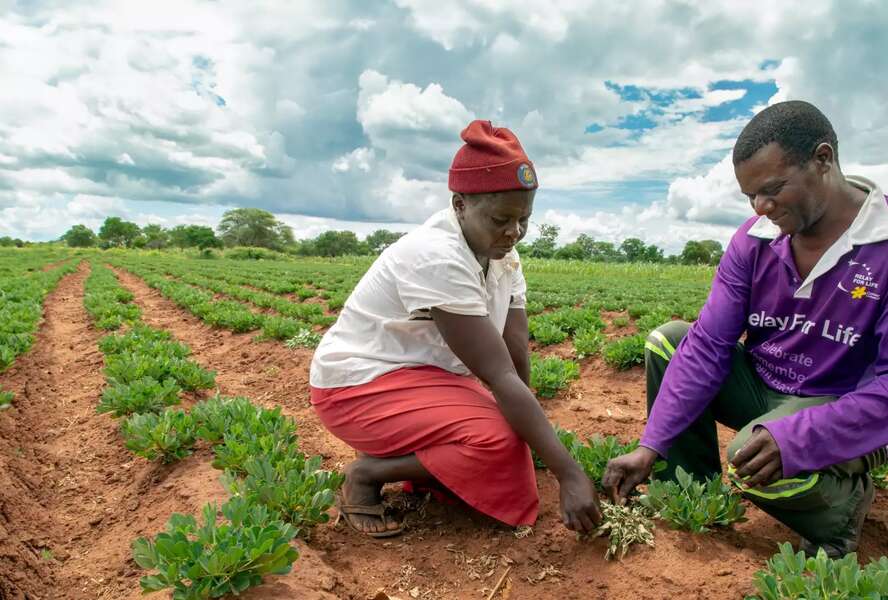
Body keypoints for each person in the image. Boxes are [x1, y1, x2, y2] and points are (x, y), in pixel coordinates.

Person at [603, 100, 888, 557]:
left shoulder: (883, 242)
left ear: (823, 159)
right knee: (669, 341)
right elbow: (708, 345)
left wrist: (798, 438)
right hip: (765, 386)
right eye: (750, 195)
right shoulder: (754, 239)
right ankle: (693, 492)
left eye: (773, 189)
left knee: (749, 457)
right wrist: (650, 445)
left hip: (842, 403)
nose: (760, 206)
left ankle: (839, 514)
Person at [309, 120, 602, 537]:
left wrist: (529, 438)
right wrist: (568, 473)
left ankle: (427, 466)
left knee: (512, 437)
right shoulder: (437, 256)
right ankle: (368, 474)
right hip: (356, 386)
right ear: (460, 204)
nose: (513, 232)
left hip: (418, 377)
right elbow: (498, 375)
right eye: (501, 218)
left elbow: (515, 352)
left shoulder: (503, 255)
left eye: (524, 220)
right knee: (497, 440)